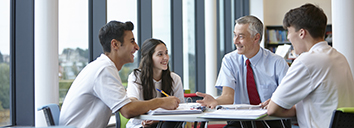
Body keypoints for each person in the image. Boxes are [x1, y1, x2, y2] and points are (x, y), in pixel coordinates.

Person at [59, 21, 180, 128]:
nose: (137, 47)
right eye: (132, 41)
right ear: (115, 44)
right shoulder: (104, 69)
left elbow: (127, 105)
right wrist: (162, 102)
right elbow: (127, 110)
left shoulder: (104, 67)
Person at [266, 3, 354, 128]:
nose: (288, 37)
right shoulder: (340, 57)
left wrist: (279, 103)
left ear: (302, 33)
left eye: (289, 32)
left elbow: (273, 109)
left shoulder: (306, 61)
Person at [196, 15, 290, 128]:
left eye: (241, 37)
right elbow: (228, 97)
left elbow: (289, 95)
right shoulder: (229, 60)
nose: (235, 41)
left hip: (271, 119)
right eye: (234, 35)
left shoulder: (277, 62)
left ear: (256, 38)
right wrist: (216, 101)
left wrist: (276, 101)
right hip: (240, 121)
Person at [125, 38, 185, 128]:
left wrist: (159, 119)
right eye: (160, 54)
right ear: (149, 58)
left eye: (166, 53)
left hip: (166, 123)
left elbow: (181, 108)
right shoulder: (136, 76)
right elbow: (132, 103)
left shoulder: (174, 78)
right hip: (140, 125)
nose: (165, 58)